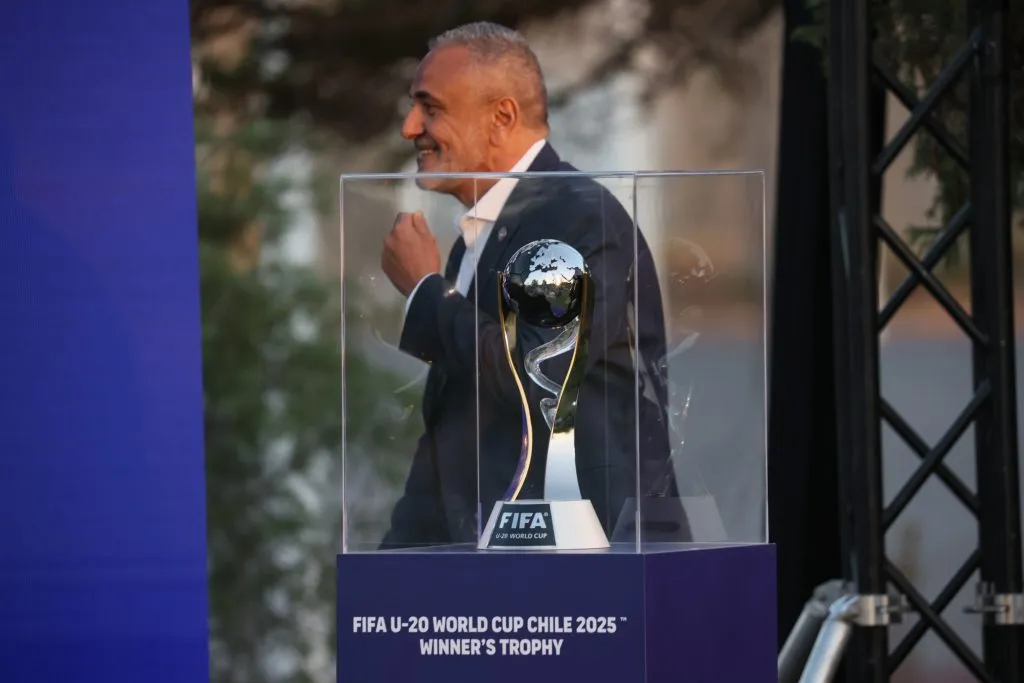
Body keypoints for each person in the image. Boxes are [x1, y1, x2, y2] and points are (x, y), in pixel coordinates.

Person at [378, 21, 684, 548]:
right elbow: (456, 425)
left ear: (502, 117)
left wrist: (427, 291)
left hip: (588, 562)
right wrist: (397, 564)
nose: (410, 127)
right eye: (414, 107)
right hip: (497, 560)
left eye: (430, 107)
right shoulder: (480, 235)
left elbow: (539, 377)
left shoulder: (580, 219)